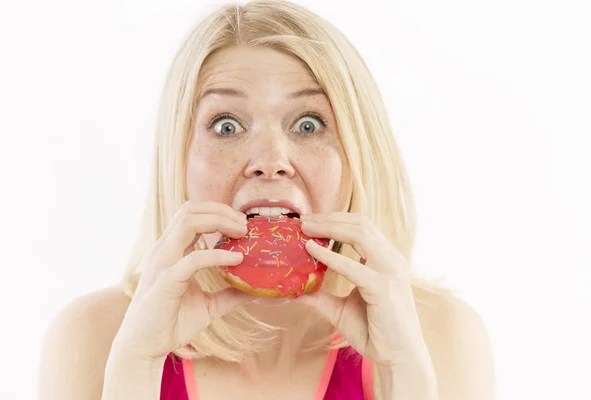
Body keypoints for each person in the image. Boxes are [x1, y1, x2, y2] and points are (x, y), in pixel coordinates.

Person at [38, 1, 496, 399]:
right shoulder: (94, 338)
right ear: (178, 162)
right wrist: (134, 369)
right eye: (226, 126)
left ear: (358, 159)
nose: (271, 161)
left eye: (309, 124)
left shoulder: (440, 337)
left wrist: (405, 379)